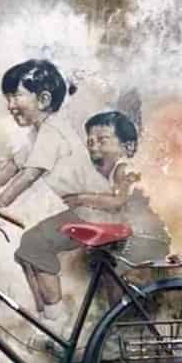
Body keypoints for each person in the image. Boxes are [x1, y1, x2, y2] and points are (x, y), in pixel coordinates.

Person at [0, 59, 110, 341]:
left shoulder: (53, 131)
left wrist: (1, 200)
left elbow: (31, 173)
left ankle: (59, 327)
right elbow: (14, 165)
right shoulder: (39, 132)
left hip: (96, 212)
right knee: (26, 252)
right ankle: (47, 317)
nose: (10, 104)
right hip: (83, 210)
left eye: (16, 96)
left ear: (43, 99)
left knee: (35, 244)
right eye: (7, 97)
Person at [63, 110, 170, 285]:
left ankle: (122, 310)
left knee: (114, 276)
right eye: (90, 142)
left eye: (102, 140)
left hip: (143, 239)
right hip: (136, 238)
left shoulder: (124, 168)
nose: (93, 147)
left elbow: (117, 202)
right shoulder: (113, 173)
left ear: (127, 147)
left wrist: (80, 198)